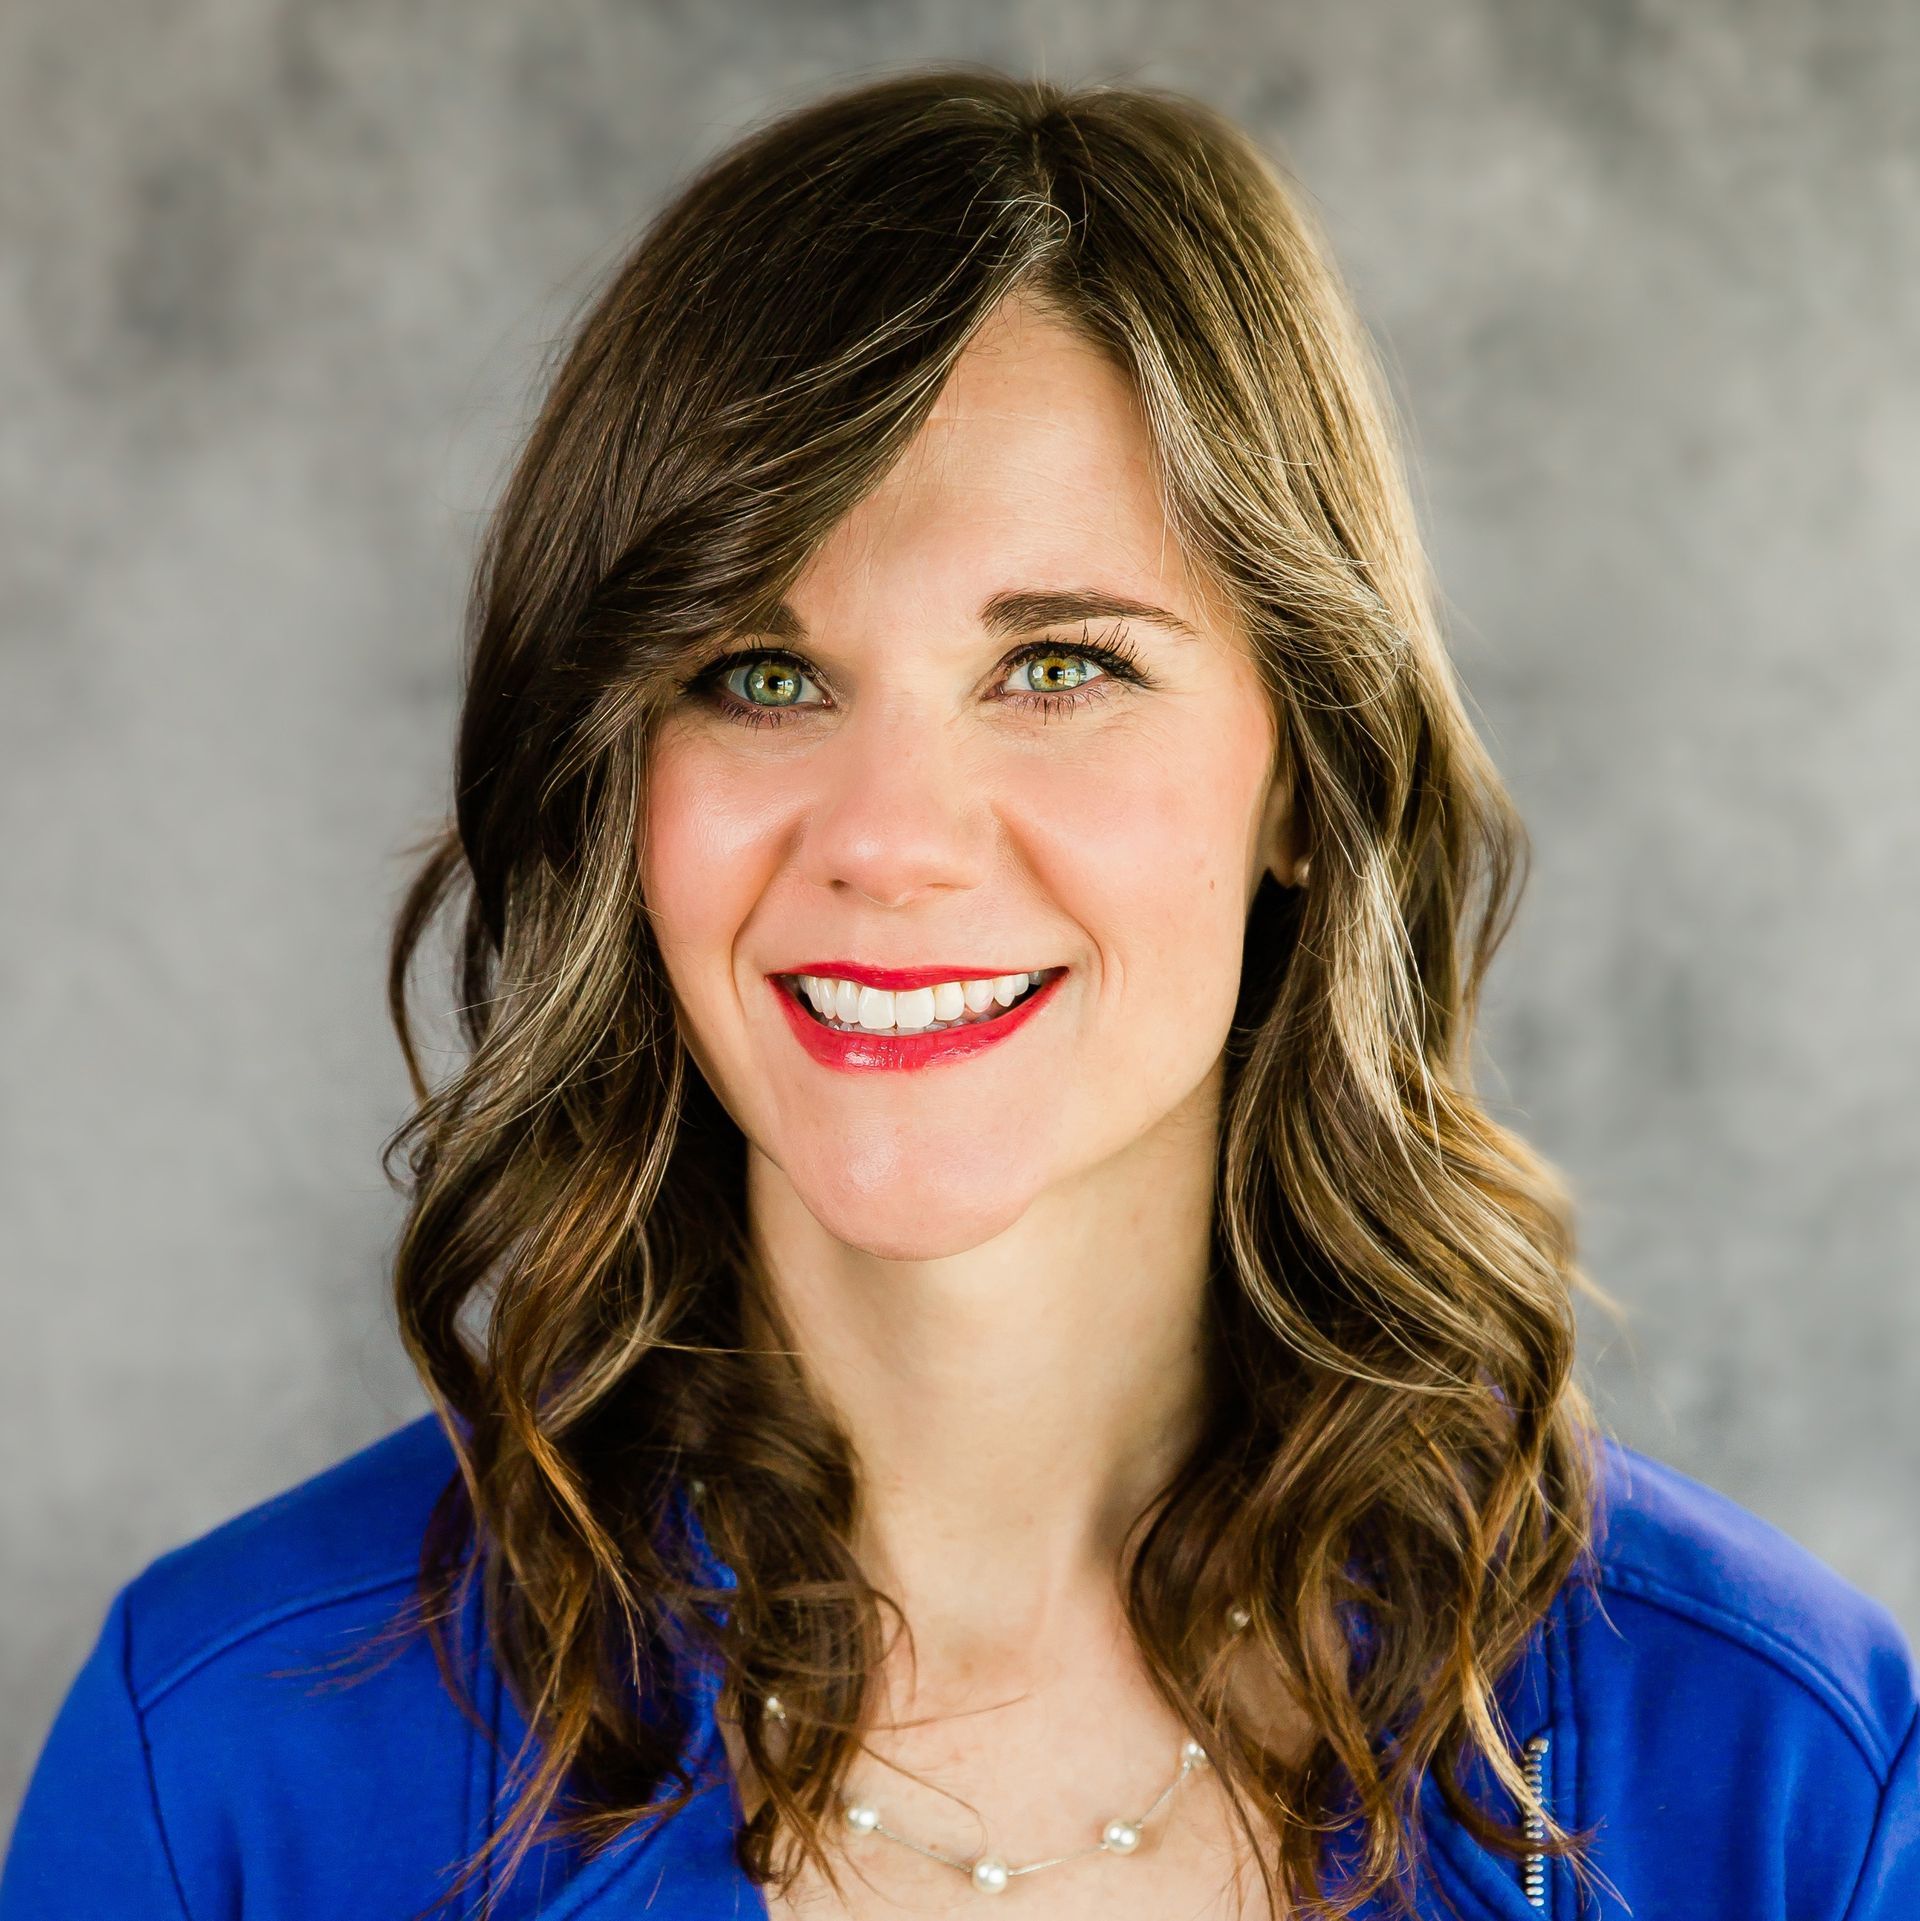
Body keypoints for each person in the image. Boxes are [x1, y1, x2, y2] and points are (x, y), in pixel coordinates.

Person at [3, 66, 1914, 1921]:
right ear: (614, 780)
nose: (892, 839)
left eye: (1062, 663)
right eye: (760, 673)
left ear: (1305, 781)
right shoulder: (231, 1761)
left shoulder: (1780, 1775)